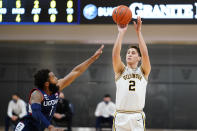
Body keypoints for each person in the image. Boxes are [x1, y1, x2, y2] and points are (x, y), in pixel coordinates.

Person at [15, 45, 104, 131]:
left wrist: (93, 58)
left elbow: (76, 71)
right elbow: (36, 113)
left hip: (40, 127)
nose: (57, 78)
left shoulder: (57, 87)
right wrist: (50, 127)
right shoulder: (37, 94)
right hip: (27, 127)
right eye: (53, 77)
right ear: (46, 83)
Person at [112, 16, 151, 131]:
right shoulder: (120, 70)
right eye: (128, 52)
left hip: (137, 116)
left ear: (139, 58)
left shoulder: (143, 71)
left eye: (133, 53)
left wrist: (138, 33)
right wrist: (121, 33)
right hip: (120, 115)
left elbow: (145, 54)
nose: (129, 54)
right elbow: (115, 54)